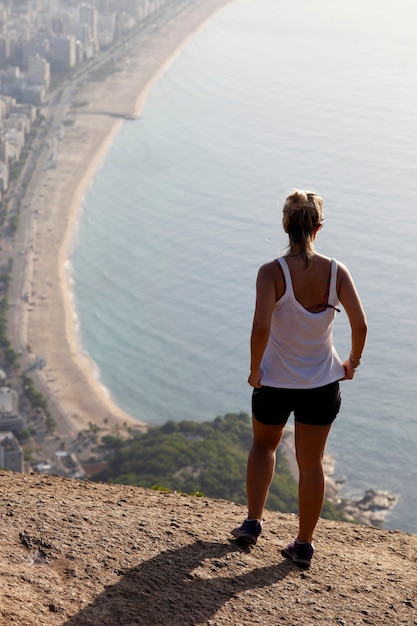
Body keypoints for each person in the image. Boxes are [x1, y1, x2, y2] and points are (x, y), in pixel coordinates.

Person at [231, 189, 367, 568]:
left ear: (285, 225)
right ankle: (303, 545)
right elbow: (361, 324)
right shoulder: (337, 272)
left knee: (263, 447)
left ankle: (252, 523)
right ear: (318, 228)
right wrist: (352, 362)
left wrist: (255, 368)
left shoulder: (271, 272)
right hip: (322, 384)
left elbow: (260, 328)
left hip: (274, 381)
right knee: (311, 464)